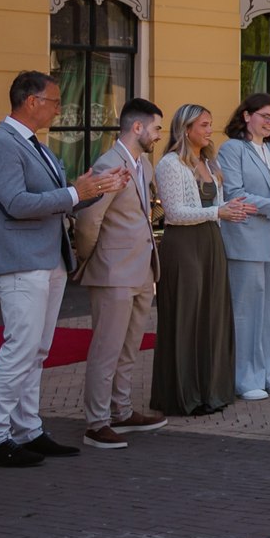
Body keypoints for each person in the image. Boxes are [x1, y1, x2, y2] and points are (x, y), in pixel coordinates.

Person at [0, 70, 125, 466]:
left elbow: (60, 199)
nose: (59, 110)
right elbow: (16, 203)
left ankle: (28, 430)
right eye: (55, 102)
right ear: (31, 102)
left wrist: (96, 188)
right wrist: (76, 191)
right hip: (22, 261)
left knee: (36, 350)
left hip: (48, 258)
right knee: (20, 349)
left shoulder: (35, 145)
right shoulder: (0, 145)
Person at [71, 99, 170, 448]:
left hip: (142, 269)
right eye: (156, 128)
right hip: (113, 271)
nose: (159, 135)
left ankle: (122, 411)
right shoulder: (107, 164)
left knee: (129, 348)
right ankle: (97, 422)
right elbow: (88, 221)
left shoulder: (143, 165)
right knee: (107, 349)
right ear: (137, 127)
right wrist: (89, 259)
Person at [152, 104, 253, 416]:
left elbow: (214, 207)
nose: (211, 130)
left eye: (210, 124)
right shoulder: (170, 164)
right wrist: (218, 211)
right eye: (204, 125)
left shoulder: (209, 161)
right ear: (186, 129)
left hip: (211, 242)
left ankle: (212, 391)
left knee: (212, 316)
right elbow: (174, 214)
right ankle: (186, 396)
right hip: (183, 246)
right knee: (187, 318)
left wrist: (230, 209)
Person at [219, 92, 270, 397]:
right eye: (265, 116)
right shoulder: (232, 149)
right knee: (246, 309)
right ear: (246, 116)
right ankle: (246, 379)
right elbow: (234, 193)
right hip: (245, 236)